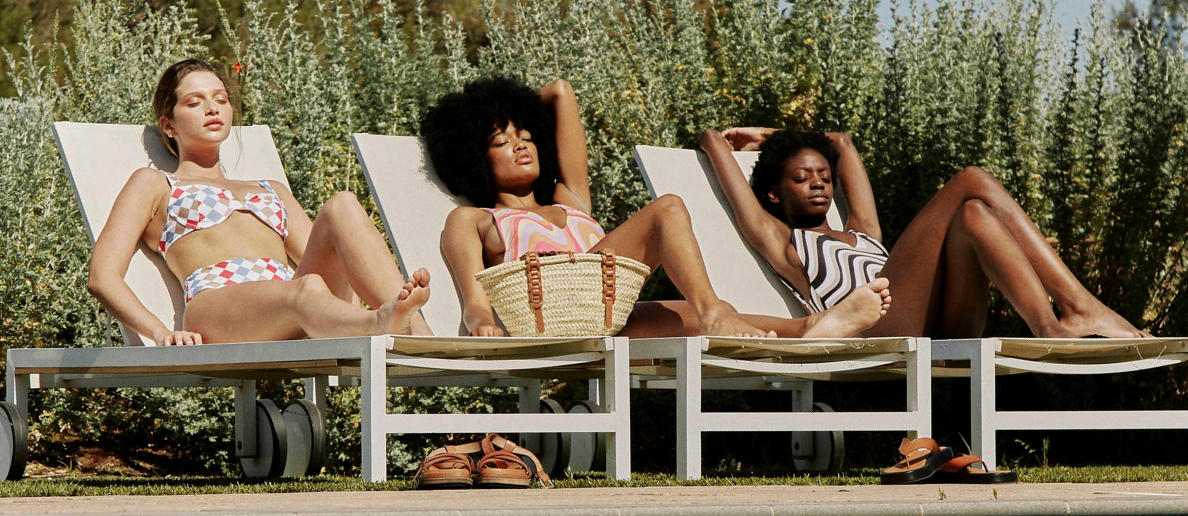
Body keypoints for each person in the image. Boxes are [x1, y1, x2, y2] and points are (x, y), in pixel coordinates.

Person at [419, 76, 891, 339]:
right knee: (667, 209)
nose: (522, 147)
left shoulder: (568, 199)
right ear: (472, 160)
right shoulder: (486, 220)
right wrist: (478, 313)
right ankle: (713, 313)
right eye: (502, 143)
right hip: (551, 315)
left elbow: (560, 91)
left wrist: (511, 112)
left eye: (527, 137)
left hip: (613, 315)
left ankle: (816, 328)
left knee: (713, 315)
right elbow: (464, 264)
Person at [87, 59, 432, 345]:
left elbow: (334, 261)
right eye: (194, 103)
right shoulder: (156, 183)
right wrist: (159, 332)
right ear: (169, 125)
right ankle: (378, 323)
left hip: (291, 304)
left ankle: (422, 337)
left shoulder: (271, 189)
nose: (212, 109)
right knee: (306, 288)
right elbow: (102, 277)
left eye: (221, 99)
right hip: (219, 307)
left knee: (342, 204)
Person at [699, 127, 1151, 338]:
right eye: (801, 178)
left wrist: (778, 134)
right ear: (775, 194)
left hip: (939, 322)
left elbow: (843, 142)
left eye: (823, 176)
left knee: (974, 213)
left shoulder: (863, 231)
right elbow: (710, 138)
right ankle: (1077, 307)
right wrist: (738, 142)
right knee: (971, 179)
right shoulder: (785, 244)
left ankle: (1052, 324)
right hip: (878, 329)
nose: (818, 182)